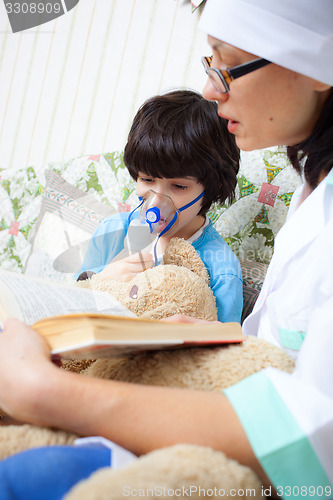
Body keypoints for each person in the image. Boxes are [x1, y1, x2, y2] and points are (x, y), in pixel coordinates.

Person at [0, 0, 332, 497]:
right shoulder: (313, 195)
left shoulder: (218, 257)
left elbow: (311, 437)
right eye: (209, 64)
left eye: (227, 64)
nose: (210, 88)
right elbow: (273, 351)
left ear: (315, 63)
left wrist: (43, 393)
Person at [77, 89, 243, 323]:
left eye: (178, 186)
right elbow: (71, 301)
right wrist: (102, 279)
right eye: (147, 180)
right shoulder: (112, 232)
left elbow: (225, 348)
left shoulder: (220, 268)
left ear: (214, 188)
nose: (157, 200)